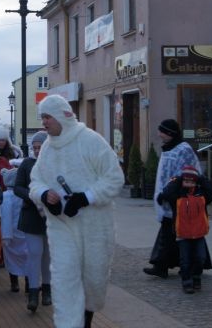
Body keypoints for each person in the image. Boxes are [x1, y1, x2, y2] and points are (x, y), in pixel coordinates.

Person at [29, 95, 124, 328]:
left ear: (63, 115)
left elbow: (115, 178)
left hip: (94, 227)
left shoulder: (91, 141)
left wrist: (85, 197)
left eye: (48, 117)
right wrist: (44, 196)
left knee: (93, 282)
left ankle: (86, 320)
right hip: (61, 227)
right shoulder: (47, 149)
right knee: (65, 280)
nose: (44, 122)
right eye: (42, 117)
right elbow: (35, 181)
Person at [144, 119, 201, 279]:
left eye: (162, 131)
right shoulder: (169, 148)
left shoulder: (184, 149)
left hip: (179, 199)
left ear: (170, 133)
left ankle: (164, 265)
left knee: (181, 234)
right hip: (168, 198)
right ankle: (168, 265)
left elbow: (185, 174)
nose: (159, 134)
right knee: (173, 233)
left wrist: (170, 193)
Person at [159, 165, 212, 293]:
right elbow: (166, 192)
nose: (188, 183)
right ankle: (187, 282)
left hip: (199, 233)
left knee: (200, 258)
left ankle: (196, 277)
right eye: (186, 181)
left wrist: (200, 178)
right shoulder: (177, 196)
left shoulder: (202, 195)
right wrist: (179, 179)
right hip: (183, 234)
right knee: (185, 260)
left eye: (192, 181)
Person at [14, 130, 52, 312]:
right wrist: (32, 196)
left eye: (40, 147)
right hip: (31, 216)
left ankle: (47, 290)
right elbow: (18, 187)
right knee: (35, 253)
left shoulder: (55, 163)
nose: (37, 151)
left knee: (48, 256)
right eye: (35, 148)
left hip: (52, 217)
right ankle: (33, 293)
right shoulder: (27, 164)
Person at [0, 167, 28, 296]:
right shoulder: (22, 193)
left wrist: (5, 235)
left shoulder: (6, 196)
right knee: (28, 257)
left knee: (10, 258)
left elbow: (5, 216)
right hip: (24, 231)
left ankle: (14, 283)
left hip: (11, 232)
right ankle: (29, 282)